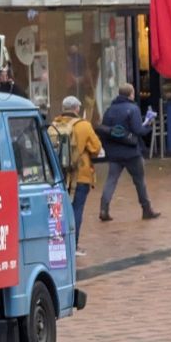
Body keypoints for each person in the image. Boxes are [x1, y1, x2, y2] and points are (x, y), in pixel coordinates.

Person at [99, 84, 160, 222]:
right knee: (139, 181)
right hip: (132, 152)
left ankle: (104, 208)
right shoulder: (133, 109)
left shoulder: (110, 110)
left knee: (111, 180)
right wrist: (148, 125)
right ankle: (146, 209)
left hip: (115, 153)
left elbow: (106, 130)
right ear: (130, 94)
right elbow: (138, 130)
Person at [51, 96, 101, 257]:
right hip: (80, 175)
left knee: (58, 212)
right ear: (77, 109)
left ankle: (59, 244)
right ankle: (74, 245)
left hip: (58, 176)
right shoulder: (84, 126)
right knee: (76, 209)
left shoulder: (53, 125)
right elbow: (96, 148)